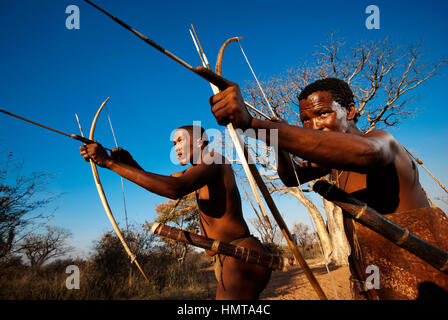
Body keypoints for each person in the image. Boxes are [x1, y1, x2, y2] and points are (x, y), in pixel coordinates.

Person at [205, 72, 448, 299]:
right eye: (305, 120)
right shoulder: (332, 164)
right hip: (372, 281)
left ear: (350, 111)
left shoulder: (381, 141)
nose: (314, 126)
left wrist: (255, 125)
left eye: (322, 113)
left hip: (423, 281)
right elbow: (292, 179)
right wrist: (278, 142)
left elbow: (366, 155)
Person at [80, 124, 271, 299]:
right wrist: (129, 163)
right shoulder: (196, 171)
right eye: (173, 143)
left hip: (240, 255)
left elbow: (174, 188)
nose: (176, 147)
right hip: (226, 256)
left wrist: (110, 163)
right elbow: (162, 182)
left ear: (199, 141)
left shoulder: (213, 159)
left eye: (180, 140)